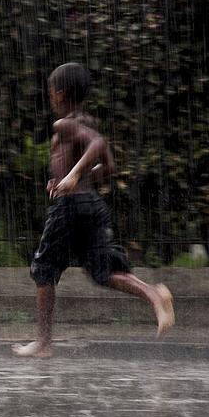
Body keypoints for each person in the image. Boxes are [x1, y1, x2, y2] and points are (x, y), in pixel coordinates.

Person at [13, 62, 175, 358]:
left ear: (60, 94)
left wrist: (73, 175)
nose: (50, 98)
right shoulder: (87, 121)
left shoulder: (64, 125)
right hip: (91, 204)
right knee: (103, 270)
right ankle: (154, 293)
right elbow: (108, 166)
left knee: (44, 269)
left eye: (50, 92)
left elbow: (97, 145)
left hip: (69, 208)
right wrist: (74, 178)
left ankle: (43, 344)